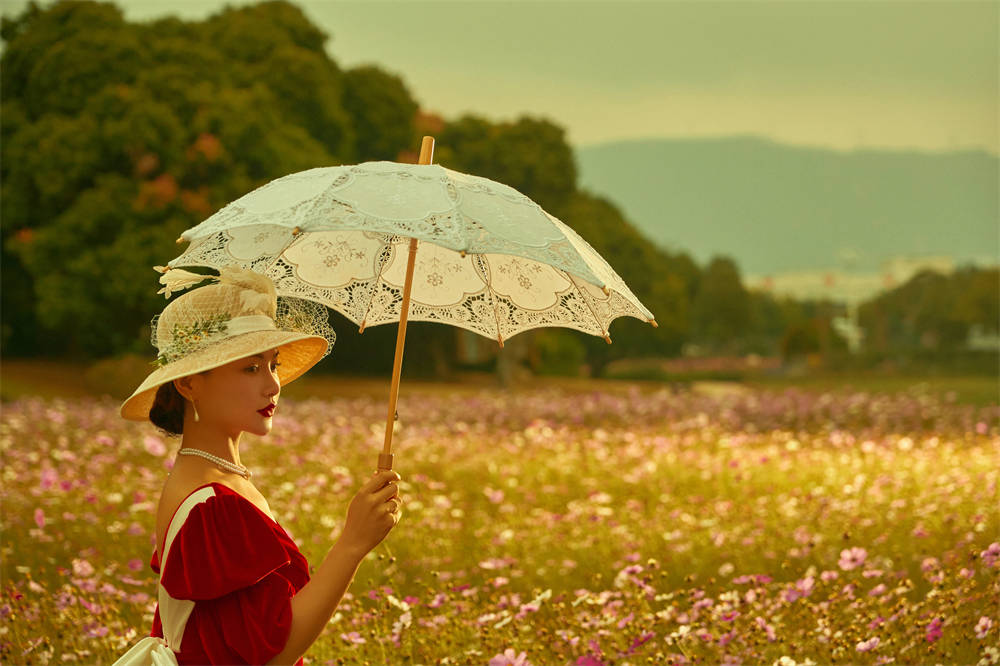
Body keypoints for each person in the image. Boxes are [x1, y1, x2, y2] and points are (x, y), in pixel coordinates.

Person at [112, 264, 403, 665]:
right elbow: (274, 651)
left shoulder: (215, 478)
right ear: (189, 383)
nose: (273, 384)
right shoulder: (212, 504)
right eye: (250, 367)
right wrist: (352, 544)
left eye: (273, 364)